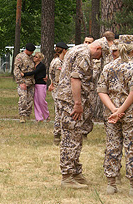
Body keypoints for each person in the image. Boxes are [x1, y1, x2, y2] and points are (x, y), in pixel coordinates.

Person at [57, 39, 104, 189]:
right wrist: (77, 103)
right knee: (71, 139)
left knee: (75, 137)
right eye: (100, 54)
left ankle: (75, 172)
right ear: (98, 48)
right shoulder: (84, 54)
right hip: (71, 103)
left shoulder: (79, 49)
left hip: (70, 100)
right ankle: (67, 177)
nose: (98, 58)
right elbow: (75, 78)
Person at [97, 35, 133, 195]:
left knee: (112, 145)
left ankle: (111, 183)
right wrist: (120, 111)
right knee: (131, 147)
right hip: (130, 113)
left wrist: (113, 110)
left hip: (111, 115)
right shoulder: (131, 67)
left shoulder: (109, 67)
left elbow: (101, 91)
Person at [48, 42, 68, 145]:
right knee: (59, 114)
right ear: (64, 50)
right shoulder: (58, 63)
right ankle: (57, 135)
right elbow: (58, 78)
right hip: (59, 91)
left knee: (60, 113)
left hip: (58, 90)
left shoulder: (58, 61)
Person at [22, 52, 50, 122]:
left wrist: (24, 74)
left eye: (36, 57)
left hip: (41, 84)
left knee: (41, 101)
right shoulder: (33, 65)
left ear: (40, 59)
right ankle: (39, 118)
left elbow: (34, 72)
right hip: (35, 84)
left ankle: (47, 115)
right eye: (34, 56)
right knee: (36, 101)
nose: (34, 58)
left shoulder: (41, 66)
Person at [13, 43, 36, 123]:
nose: (32, 53)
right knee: (23, 98)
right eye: (31, 52)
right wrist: (20, 82)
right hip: (23, 81)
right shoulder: (20, 57)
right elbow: (17, 70)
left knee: (30, 99)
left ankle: (28, 115)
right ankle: (22, 115)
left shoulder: (32, 58)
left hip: (31, 82)